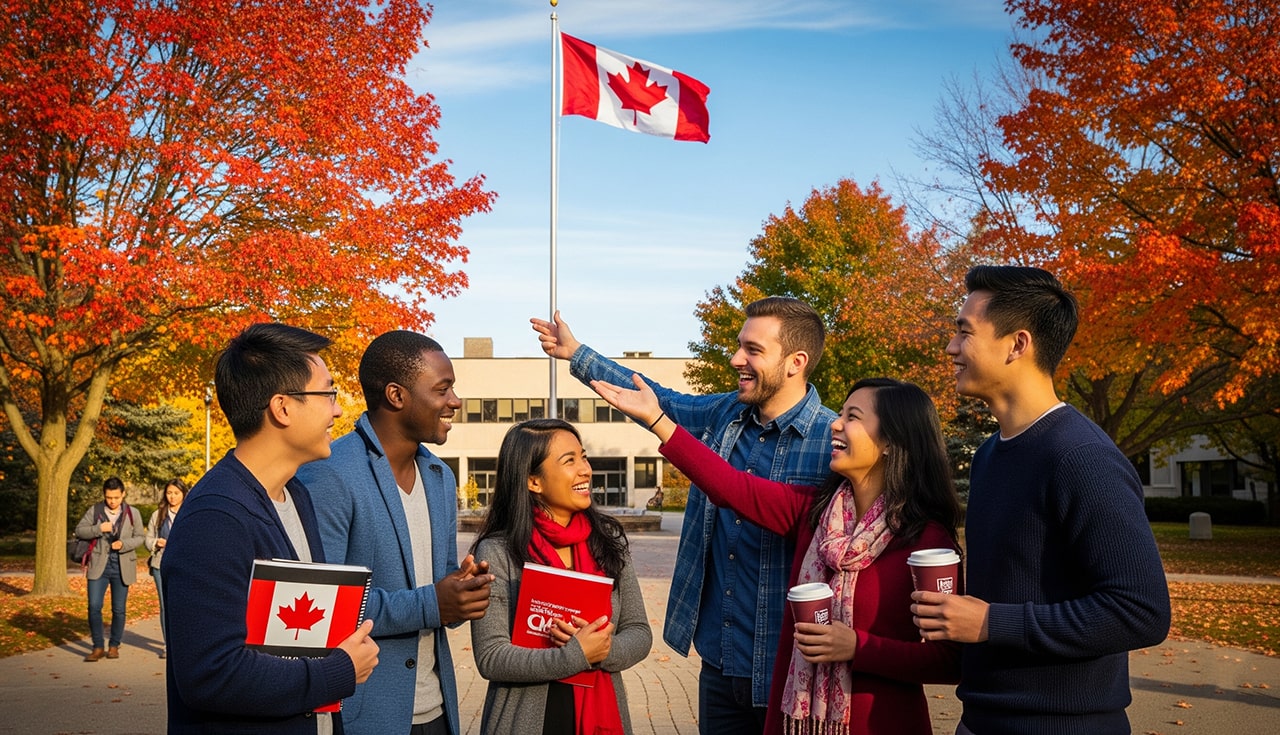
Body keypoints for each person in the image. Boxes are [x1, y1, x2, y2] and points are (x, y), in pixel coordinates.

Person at [593, 374, 962, 734]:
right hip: (795, 720)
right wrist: (658, 421)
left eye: (853, 417)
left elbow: (948, 661)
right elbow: (730, 487)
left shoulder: (926, 540)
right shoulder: (814, 514)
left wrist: (857, 647)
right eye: (841, 413)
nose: (836, 424)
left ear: (891, 442)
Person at [532, 298, 836, 733]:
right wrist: (577, 354)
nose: (736, 359)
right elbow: (656, 399)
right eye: (738, 345)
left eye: (753, 350)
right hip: (718, 660)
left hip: (788, 672)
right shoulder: (725, 415)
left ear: (795, 362)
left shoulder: (833, 440)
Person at [911, 265, 1171, 735]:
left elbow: (1141, 612)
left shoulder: (1081, 457)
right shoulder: (992, 453)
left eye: (964, 333)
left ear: (1017, 344)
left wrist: (993, 622)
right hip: (982, 719)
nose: (951, 348)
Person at [161, 323, 379, 734]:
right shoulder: (216, 517)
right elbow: (211, 674)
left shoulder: (296, 494)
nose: (337, 409)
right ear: (282, 408)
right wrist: (338, 672)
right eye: (328, 393)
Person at [298, 331, 494, 735]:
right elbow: (321, 609)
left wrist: (462, 591)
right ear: (396, 395)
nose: (455, 401)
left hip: (437, 709)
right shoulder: (330, 474)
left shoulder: (440, 477)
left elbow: (437, 589)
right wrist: (433, 604)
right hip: (363, 717)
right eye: (443, 389)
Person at [469, 419, 652, 735]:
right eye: (570, 461)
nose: (586, 469)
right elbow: (492, 657)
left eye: (583, 456)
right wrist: (575, 655)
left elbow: (639, 631)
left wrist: (606, 651)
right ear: (533, 481)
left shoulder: (607, 541)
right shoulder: (497, 552)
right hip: (526, 719)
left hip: (601, 711)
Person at [74, 476, 145, 662]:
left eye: (116, 497)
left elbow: (140, 538)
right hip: (99, 565)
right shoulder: (95, 510)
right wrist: (99, 528)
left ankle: (114, 645)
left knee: (119, 609)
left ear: (123, 494)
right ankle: (97, 647)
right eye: (108, 498)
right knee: (94, 606)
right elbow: (80, 530)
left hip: (122, 565)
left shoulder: (132, 513)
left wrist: (124, 544)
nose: (112, 501)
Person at [144, 478, 188, 659]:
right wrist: (156, 542)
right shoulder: (158, 515)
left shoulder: (189, 512)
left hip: (185, 566)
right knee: (165, 606)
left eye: (176, 493)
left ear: (183, 494)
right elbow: (147, 540)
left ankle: (184, 642)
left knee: (184, 606)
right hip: (160, 564)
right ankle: (167, 644)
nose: (172, 497)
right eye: (169, 493)